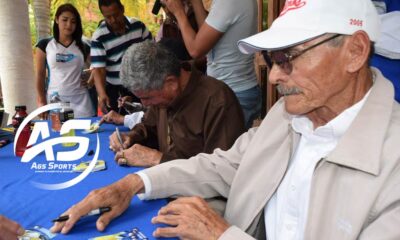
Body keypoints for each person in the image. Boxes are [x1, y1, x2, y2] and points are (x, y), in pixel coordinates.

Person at [51, 0, 400, 239]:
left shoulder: (392, 164)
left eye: (288, 57)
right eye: (270, 58)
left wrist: (220, 234)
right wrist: (132, 184)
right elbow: (224, 165)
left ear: (354, 52)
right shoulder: (287, 115)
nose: (274, 76)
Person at [108, 40, 245, 167]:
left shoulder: (217, 101)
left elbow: (222, 168)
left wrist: (157, 159)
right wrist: (132, 136)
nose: (145, 104)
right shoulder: (162, 97)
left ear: (171, 83)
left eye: (148, 98)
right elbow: (150, 127)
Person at [162, 0, 261, 129]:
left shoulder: (228, 2)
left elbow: (195, 50)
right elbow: (207, 38)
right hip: (235, 88)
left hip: (233, 92)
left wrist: (179, 12)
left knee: (224, 147)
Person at [91, 0, 152, 114]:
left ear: (122, 9)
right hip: (115, 91)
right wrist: (102, 94)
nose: (113, 20)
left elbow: (151, 54)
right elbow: (98, 70)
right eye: (108, 17)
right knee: (117, 124)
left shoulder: (138, 27)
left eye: (116, 15)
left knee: (145, 121)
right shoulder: (99, 37)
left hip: (142, 86)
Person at [35, 3, 95, 118]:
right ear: (57, 19)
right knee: (58, 134)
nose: (69, 25)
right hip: (55, 101)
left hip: (81, 102)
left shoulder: (84, 46)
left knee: (85, 134)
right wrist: (41, 100)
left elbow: (98, 66)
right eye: (65, 20)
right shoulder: (44, 45)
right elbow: (40, 74)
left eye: (73, 21)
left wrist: (91, 78)